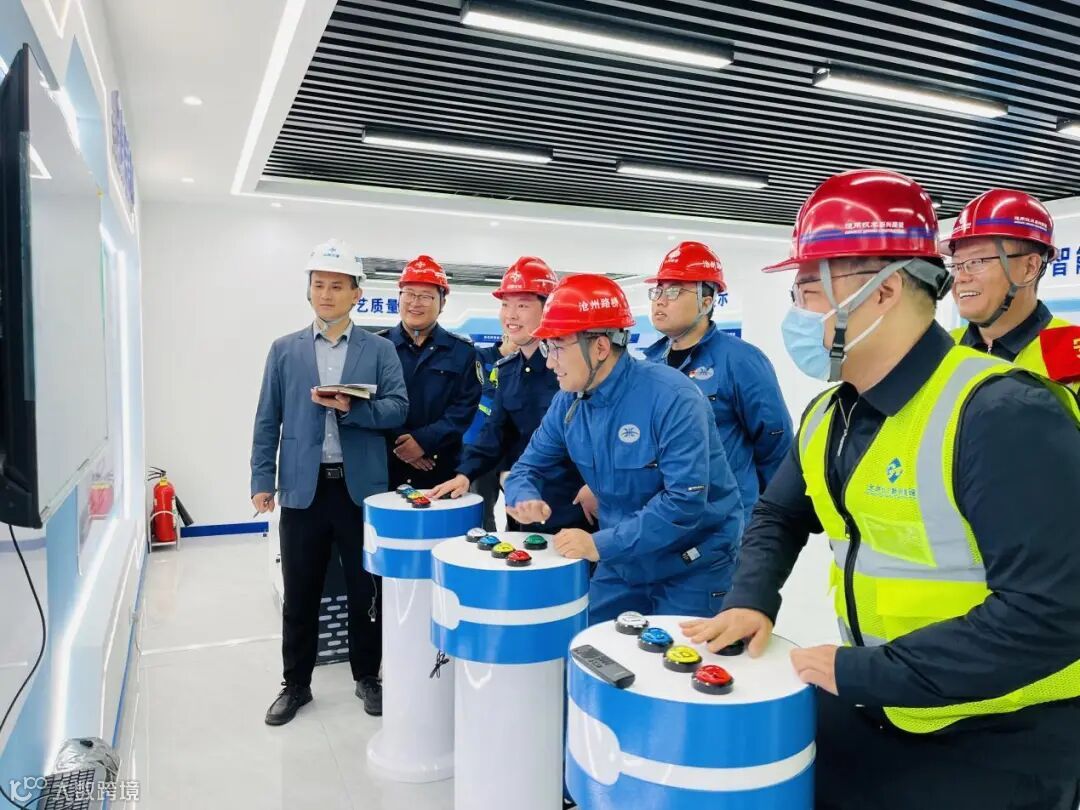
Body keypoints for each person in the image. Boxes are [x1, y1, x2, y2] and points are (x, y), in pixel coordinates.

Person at [682, 170, 1080, 809]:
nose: (797, 310)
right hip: (883, 704)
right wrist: (752, 597)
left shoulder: (1002, 412)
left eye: (811, 287)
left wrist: (866, 671)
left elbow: (1050, 612)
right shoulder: (829, 413)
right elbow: (780, 513)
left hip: (999, 732)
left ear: (885, 290)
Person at [502, 274, 744, 622]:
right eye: (546, 348)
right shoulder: (569, 402)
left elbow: (683, 503)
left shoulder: (673, 397)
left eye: (558, 348)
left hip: (691, 565)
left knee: (676, 655)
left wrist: (598, 544)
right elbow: (527, 468)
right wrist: (523, 496)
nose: (550, 362)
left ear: (600, 347)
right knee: (590, 645)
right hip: (623, 559)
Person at [251, 238, 408, 725]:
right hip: (304, 489)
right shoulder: (285, 350)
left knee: (366, 590)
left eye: (337, 286)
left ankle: (368, 676)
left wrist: (353, 408)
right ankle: (296, 684)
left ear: (356, 293)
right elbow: (267, 419)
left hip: (361, 491)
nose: (326, 294)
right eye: (319, 284)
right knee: (300, 592)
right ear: (309, 290)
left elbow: (398, 408)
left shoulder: (379, 349)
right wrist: (262, 478)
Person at [430, 258, 591, 534]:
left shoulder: (571, 368)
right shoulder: (507, 371)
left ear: (548, 308)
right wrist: (465, 474)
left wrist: (596, 486)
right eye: (505, 305)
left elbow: (597, 437)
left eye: (522, 306)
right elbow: (495, 433)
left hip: (575, 507)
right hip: (522, 505)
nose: (511, 315)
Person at [642, 240, 791, 521]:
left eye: (674, 291)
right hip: (666, 517)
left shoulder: (740, 359)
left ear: (706, 301)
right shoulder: (651, 364)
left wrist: (770, 518)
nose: (660, 300)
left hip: (725, 521)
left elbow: (774, 442)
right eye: (657, 291)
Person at [943, 188, 1080, 394]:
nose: (960, 278)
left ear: (1030, 268)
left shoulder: (1071, 353)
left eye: (977, 261)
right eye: (956, 265)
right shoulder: (943, 349)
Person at [381, 255, 481, 490]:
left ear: (442, 302)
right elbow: (371, 403)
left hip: (441, 470)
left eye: (426, 296)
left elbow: (464, 408)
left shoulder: (462, 352)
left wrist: (423, 442)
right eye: (409, 294)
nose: (415, 303)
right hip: (386, 469)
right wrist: (404, 446)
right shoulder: (379, 347)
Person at [463, 332, 514, 532]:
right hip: (480, 444)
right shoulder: (479, 356)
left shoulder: (533, 363)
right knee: (482, 511)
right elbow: (484, 393)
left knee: (518, 510)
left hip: (514, 448)